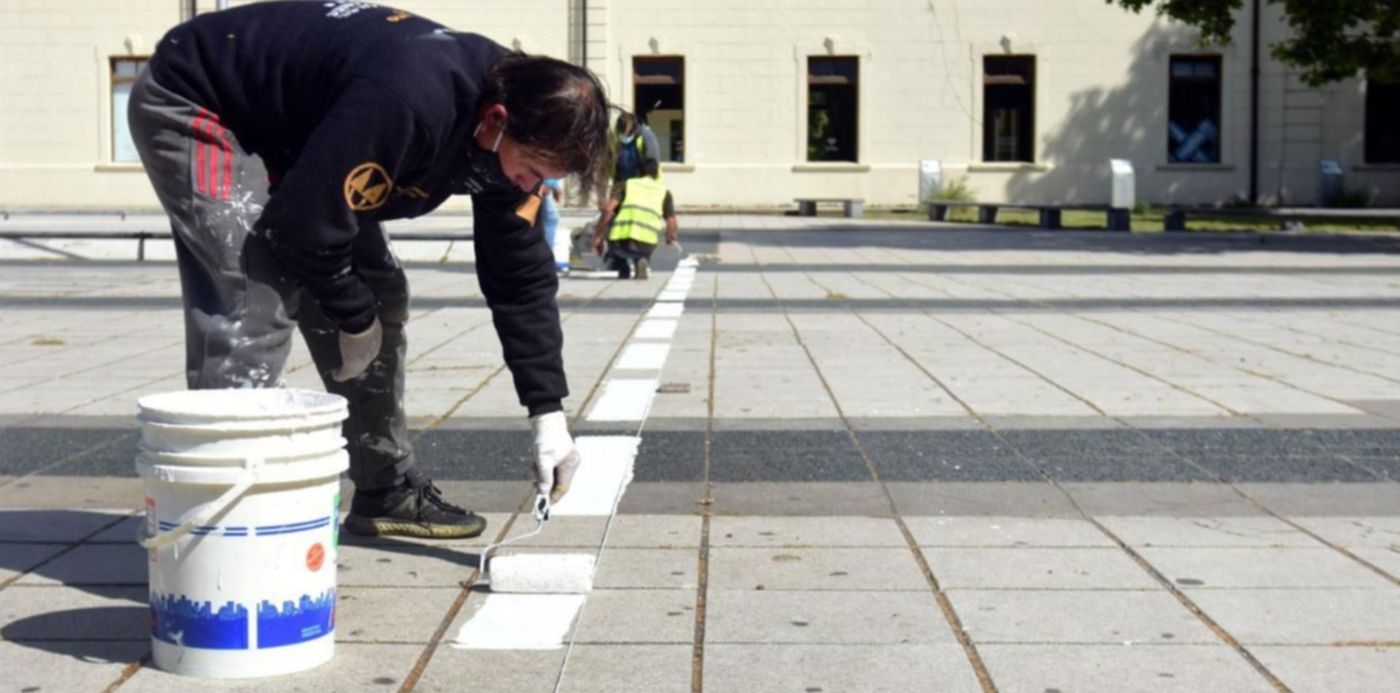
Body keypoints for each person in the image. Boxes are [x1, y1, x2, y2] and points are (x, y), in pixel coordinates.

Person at [128, 2, 610, 539]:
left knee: (381, 295)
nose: (528, 186)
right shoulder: (411, 99)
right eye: (532, 170)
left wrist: (548, 413)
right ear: (496, 121)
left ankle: (385, 488)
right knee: (256, 299)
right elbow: (301, 228)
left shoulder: (518, 125)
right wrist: (351, 315)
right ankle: (218, 522)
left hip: (303, 129)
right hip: (203, 98)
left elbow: (520, 280)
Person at [591, 159, 678, 280]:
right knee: (644, 243)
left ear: (638, 172)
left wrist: (598, 236)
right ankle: (641, 260)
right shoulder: (664, 192)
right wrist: (670, 236)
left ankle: (621, 266)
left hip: (620, 243)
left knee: (608, 221)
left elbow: (607, 210)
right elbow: (671, 221)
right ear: (657, 174)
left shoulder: (627, 184)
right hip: (647, 245)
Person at [609, 112, 661, 193]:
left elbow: (652, 165)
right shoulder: (613, 135)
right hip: (620, 182)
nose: (624, 136)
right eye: (622, 133)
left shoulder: (647, 137)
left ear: (634, 129)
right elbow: (608, 159)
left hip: (641, 183)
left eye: (627, 134)